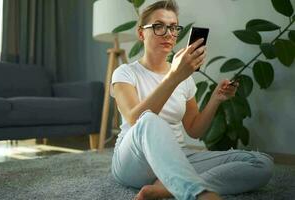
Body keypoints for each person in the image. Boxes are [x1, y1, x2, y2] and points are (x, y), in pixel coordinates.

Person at [110, 1, 274, 200]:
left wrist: (216, 99)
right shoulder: (125, 73)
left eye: (173, 27)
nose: (169, 33)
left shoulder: (184, 76)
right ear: (141, 33)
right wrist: (173, 77)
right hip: (134, 160)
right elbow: (135, 119)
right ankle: (196, 193)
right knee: (149, 120)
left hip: (178, 157)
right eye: (159, 26)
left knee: (261, 163)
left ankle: (168, 187)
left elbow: (194, 130)